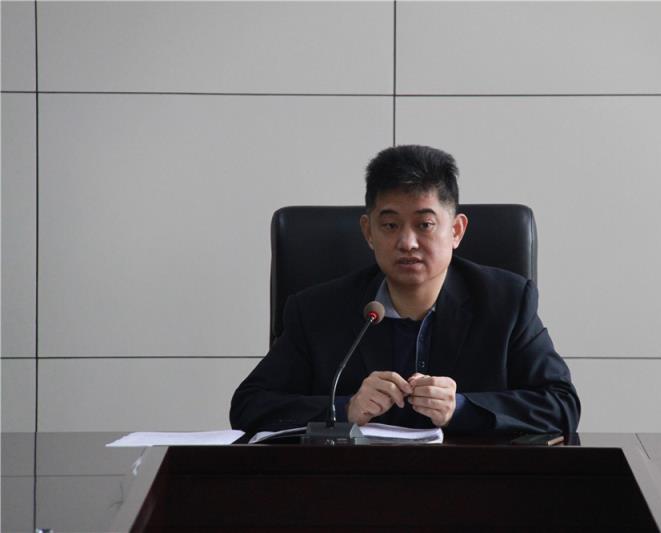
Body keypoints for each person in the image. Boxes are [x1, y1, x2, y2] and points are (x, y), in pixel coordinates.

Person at [230, 145, 580, 435]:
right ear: (368, 232)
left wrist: (461, 408)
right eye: (390, 225)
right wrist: (344, 408)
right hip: (351, 486)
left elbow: (561, 405)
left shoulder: (507, 302)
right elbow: (249, 406)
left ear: (456, 231)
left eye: (425, 224)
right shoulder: (318, 311)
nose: (407, 242)